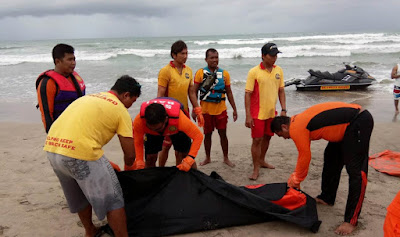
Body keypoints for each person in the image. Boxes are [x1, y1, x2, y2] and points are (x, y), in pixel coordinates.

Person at [43, 75, 141, 237]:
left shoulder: (89, 98)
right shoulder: (120, 109)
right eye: (133, 101)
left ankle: (90, 231)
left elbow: (80, 133)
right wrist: (129, 174)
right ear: (126, 95)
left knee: (79, 196)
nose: (131, 106)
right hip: (79, 154)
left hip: (53, 149)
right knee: (113, 200)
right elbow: (130, 155)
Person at [270, 101, 374, 235]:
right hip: (345, 127)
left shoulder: (296, 128)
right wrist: (297, 177)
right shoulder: (297, 121)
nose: (284, 138)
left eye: (281, 135)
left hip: (358, 121)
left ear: (284, 127)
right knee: (331, 157)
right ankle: (327, 197)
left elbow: (304, 156)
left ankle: (351, 221)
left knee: (356, 172)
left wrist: (296, 180)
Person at [157, 40, 204, 167]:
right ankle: (161, 170)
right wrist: (160, 116)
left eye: (187, 53)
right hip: (168, 115)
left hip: (183, 114)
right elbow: (160, 95)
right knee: (166, 146)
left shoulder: (188, 70)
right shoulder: (165, 71)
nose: (185, 56)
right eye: (182, 53)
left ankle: (179, 171)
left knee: (182, 148)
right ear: (174, 55)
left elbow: (191, 93)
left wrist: (197, 109)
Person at [244, 42, 286, 180]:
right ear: (263, 56)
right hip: (257, 113)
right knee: (257, 140)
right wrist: (248, 115)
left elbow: (281, 91)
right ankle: (255, 168)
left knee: (268, 137)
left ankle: (262, 160)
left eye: (276, 55)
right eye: (272, 55)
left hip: (271, 113)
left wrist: (283, 109)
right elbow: (248, 94)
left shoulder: (278, 70)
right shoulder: (254, 72)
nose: (274, 58)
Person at [191, 48, 238, 167]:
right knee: (207, 135)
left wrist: (234, 109)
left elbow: (229, 92)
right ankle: (207, 157)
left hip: (221, 110)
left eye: (216, 57)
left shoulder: (225, 74)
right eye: (211, 58)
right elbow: (194, 92)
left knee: (223, 134)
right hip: (206, 111)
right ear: (206, 59)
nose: (214, 60)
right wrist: (194, 109)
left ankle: (226, 158)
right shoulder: (200, 73)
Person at [132, 97, 203, 171]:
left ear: (166, 119)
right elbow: (138, 141)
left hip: (175, 127)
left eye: (157, 129)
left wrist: (190, 158)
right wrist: (139, 160)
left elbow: (198, 136)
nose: (155, 130)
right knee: (150, 158)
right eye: (151, 128)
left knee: (184, 155)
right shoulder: (139, 121)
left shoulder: (180, 120)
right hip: (152, 132)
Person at [36, 43, 86, 133]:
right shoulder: (48, 83)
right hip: (61, 131)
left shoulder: (75, 78)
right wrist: (53, 137)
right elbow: (46, 115)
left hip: (79, 128)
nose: (73, 63)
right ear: (58, 61)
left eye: (74, 59)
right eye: (69, 60)